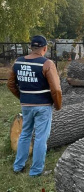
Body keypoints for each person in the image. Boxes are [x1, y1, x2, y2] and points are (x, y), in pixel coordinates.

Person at [7, 35, 62, 177]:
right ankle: (36, 171)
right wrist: (57, 105)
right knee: (40, 137)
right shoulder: (47, 64)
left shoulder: (17, 62)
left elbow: (10, 84)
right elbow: (56, 89)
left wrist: (23, 97)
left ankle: (18, 166)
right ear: (44, 49)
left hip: (26, 105)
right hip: (43, 106)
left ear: (31, 47)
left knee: (25, 134)